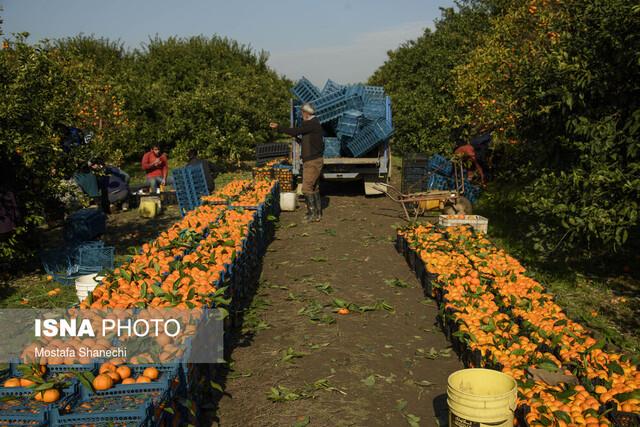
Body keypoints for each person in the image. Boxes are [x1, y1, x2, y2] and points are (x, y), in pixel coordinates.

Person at [270, 103, 323, 223]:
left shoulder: (311, 123)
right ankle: (317, 213)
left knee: (306, 188)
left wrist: (278, 127)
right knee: (314, 187)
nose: (302, 115)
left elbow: (293, 130)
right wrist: (298, 140)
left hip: (312, 162)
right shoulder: (314, 124)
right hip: (314, 160)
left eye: (302, 113)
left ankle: (313, 214)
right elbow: (311, 142)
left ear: (306, 113)